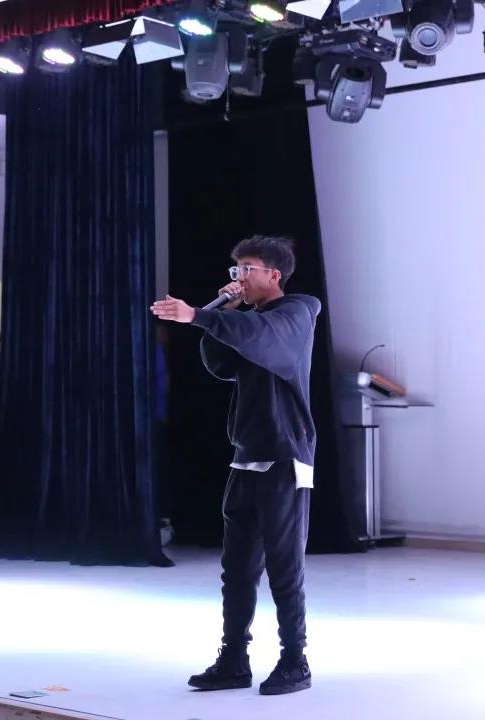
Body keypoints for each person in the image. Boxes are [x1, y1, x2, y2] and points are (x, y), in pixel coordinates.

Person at [151, 235, 321, 696]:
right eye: (236, 270)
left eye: (247, 269)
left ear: (274, 275)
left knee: (284, 567)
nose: (239, 278)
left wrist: (200, 316)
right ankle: (233, 660)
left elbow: (262, 338)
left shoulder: (297, 312)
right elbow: (222, 363)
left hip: (285, 457)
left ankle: (295, 660)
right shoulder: (250, 321)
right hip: (247, 457)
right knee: (238, 569)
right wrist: (218, 313)